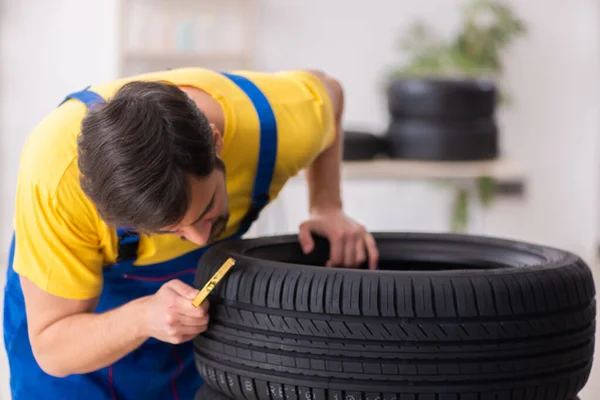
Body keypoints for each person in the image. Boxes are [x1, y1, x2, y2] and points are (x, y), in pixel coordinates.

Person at [3, 67, 379, 399]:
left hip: (184, 330)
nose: (201, 240)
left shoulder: (277, 124)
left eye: (206, 212)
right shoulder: (57, 184)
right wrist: (142, 317)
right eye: (171, 230)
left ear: (216, 143)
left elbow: (331, 92)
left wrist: (327, 205)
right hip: (71, 333)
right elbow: (53, 347)